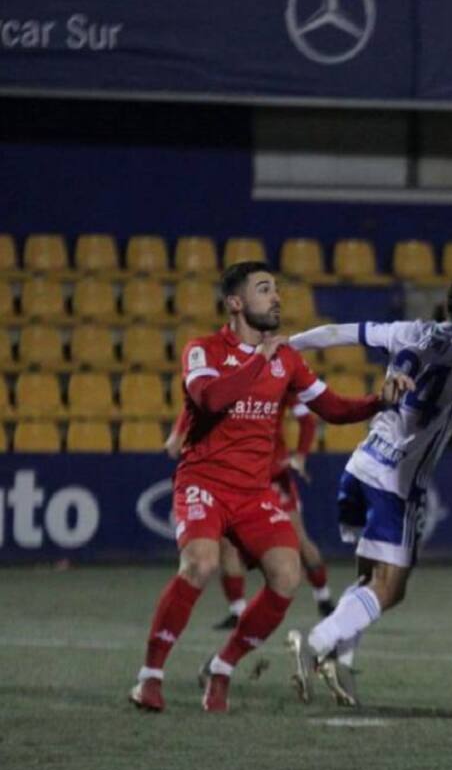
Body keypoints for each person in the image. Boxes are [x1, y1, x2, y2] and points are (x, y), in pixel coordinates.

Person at [128, 261, 409, 714]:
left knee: (286, 574)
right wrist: (259, 359)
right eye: (264, 289)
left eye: (276, 289)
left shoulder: (288, 359)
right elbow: (211, 399)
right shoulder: (203, 350)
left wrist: (379, 401)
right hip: (203, 481)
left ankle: (221, 667)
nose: (276, 297)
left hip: (253, 492)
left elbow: (332, 408)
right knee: (200, 563)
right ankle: (150, 678)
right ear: (235, 303)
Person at [283, 275, 452, 707]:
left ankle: (341, 665)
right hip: (396, 483)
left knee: (369, 581)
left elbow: (337, 334)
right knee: (390, 589)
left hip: (360, 467)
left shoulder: (406, 331)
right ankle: (317, 643)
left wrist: (288, 346)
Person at [165, 394, 335, 630]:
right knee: (226, 544)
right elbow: (197, 398)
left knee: (298, 539)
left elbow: (306, 419)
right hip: (231, 474)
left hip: (271, 475)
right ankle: (238, 611)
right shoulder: (226, 380)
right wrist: (177, 432)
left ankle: (324, 599)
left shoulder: (279, 379)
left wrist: (300, 455)